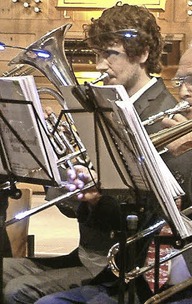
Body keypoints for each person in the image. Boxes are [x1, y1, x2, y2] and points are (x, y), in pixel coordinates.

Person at [37, 35, 192, 303]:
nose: (184, 91)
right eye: (180, 81)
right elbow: (139, 218)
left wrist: (187, 154)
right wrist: (97, 202)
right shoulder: (185, 140)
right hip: (148, 284)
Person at [2, 3, 179, 303]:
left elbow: (150, 208)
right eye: (98, 54)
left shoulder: (164, 114)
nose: (98, 65)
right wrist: (49, 151)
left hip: (118, 263)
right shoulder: (101, 106)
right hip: (88, 253)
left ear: (143, 55)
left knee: (17, 291)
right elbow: (71, 208)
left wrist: (94, 199)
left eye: (110, 54)